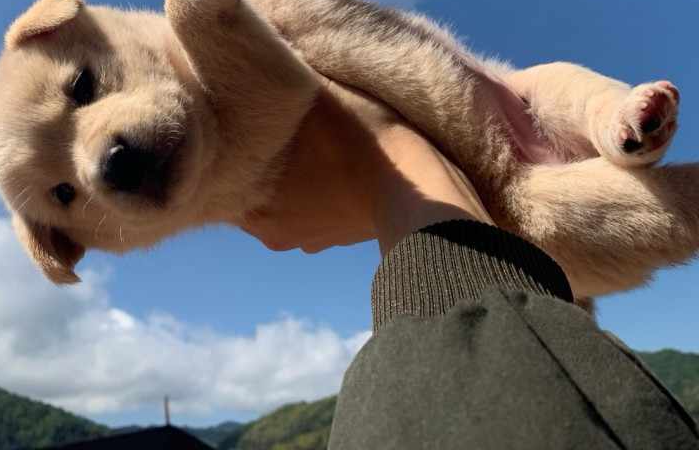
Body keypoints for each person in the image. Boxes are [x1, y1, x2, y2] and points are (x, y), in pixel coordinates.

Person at [239, 78, 699, 449]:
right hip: (513, 190)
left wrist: (382, 169)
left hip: (502, 137)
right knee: (544, 201)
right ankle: (616, 129)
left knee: (556, 104)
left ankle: (610, 122)